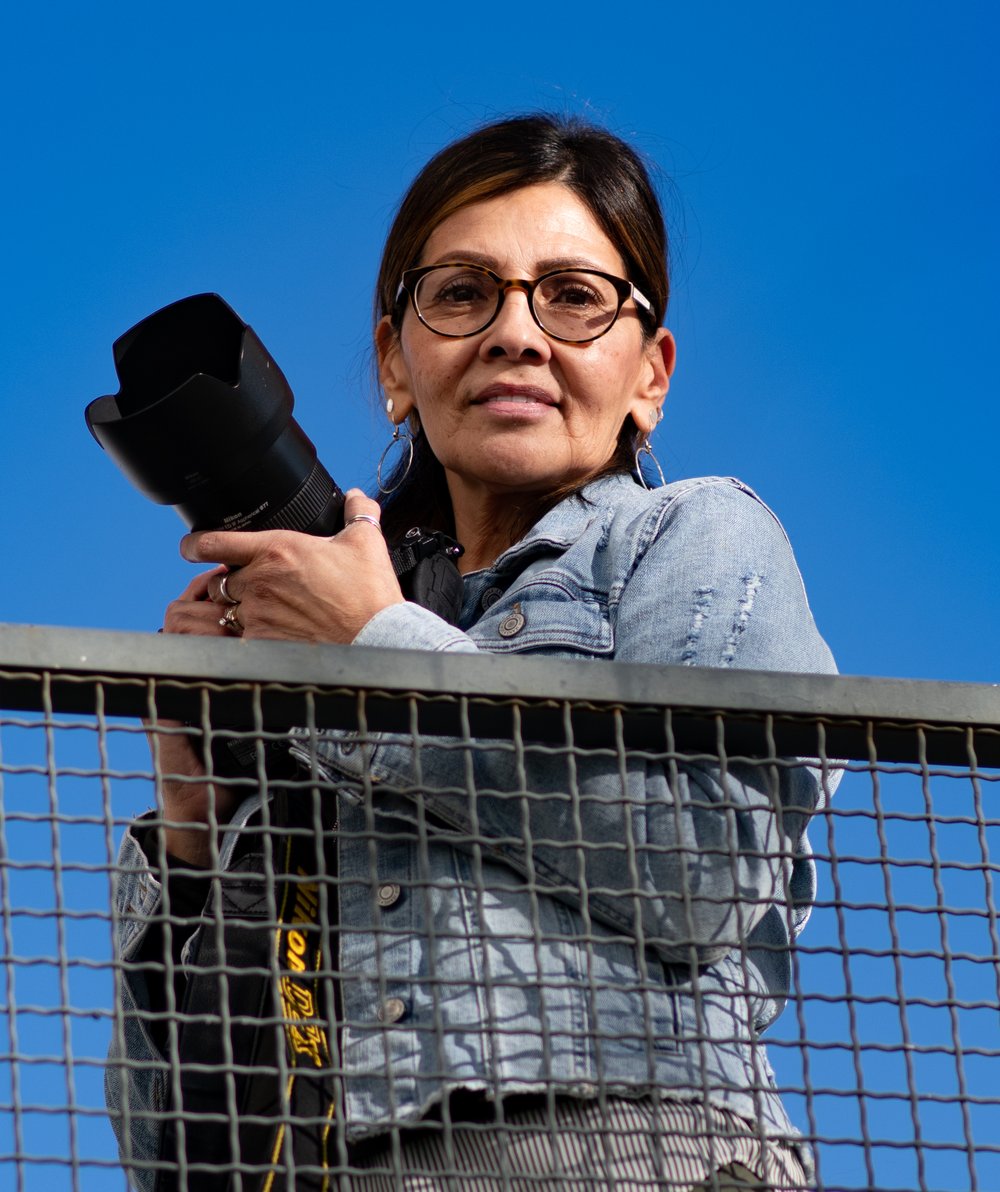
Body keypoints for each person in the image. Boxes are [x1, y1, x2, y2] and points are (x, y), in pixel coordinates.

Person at [107, 114, 838, 1191]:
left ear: (651, 374)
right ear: (394, 365)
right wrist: (191, 826)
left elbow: (702, 877)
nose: (514, 334)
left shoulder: (692, 534)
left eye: (574, 297)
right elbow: (173, 1153)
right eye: (461, 293)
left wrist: (375, 650)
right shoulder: (312, 634)